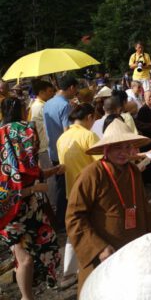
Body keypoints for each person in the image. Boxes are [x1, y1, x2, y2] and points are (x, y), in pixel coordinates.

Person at [65, 119, 151, 294]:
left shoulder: (133, 172)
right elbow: (74, 217)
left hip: (135, 252)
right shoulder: (92, 174)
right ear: (106, 148)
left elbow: (144, 209)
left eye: (127, 147)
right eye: (117, 147)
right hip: (104, 254)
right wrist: (98, 248)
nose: (123, 153)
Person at [0, 98, 63, 299]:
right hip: (10, 213)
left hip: (29, 208)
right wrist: (33, 188)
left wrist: (52, 171)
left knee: (34, 254)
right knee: (25, 259)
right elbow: (9, 190)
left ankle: (28, 292)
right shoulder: (20, 135)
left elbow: (28, 173)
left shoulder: (7, 144)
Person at [56, 103, 99, 288]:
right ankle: (91, 265)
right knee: (94, 227)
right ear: (89, 117)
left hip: (70, 190)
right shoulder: (88, 135)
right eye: (94, 118)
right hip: (90, 190)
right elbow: (101, 163)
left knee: (73, 229)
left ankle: (68, 272)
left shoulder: (62, 137)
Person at [44, 74, 79, 231]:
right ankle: (61, 222)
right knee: (64, 189)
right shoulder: (65, 105)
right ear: (71, 87)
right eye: (75, 89)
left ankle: (60, 221)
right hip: (65, 152)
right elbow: (67, 131)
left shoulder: (48, 103)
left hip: (53, 149)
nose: (76, 92)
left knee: (60, 187)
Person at [28, 79, 55, 171]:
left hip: (44, 146)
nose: (52, 94)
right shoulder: (41, 106)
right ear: (41, 92)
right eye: (50, 91)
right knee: (51, 176)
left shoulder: (38, 105)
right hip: (45, 147)